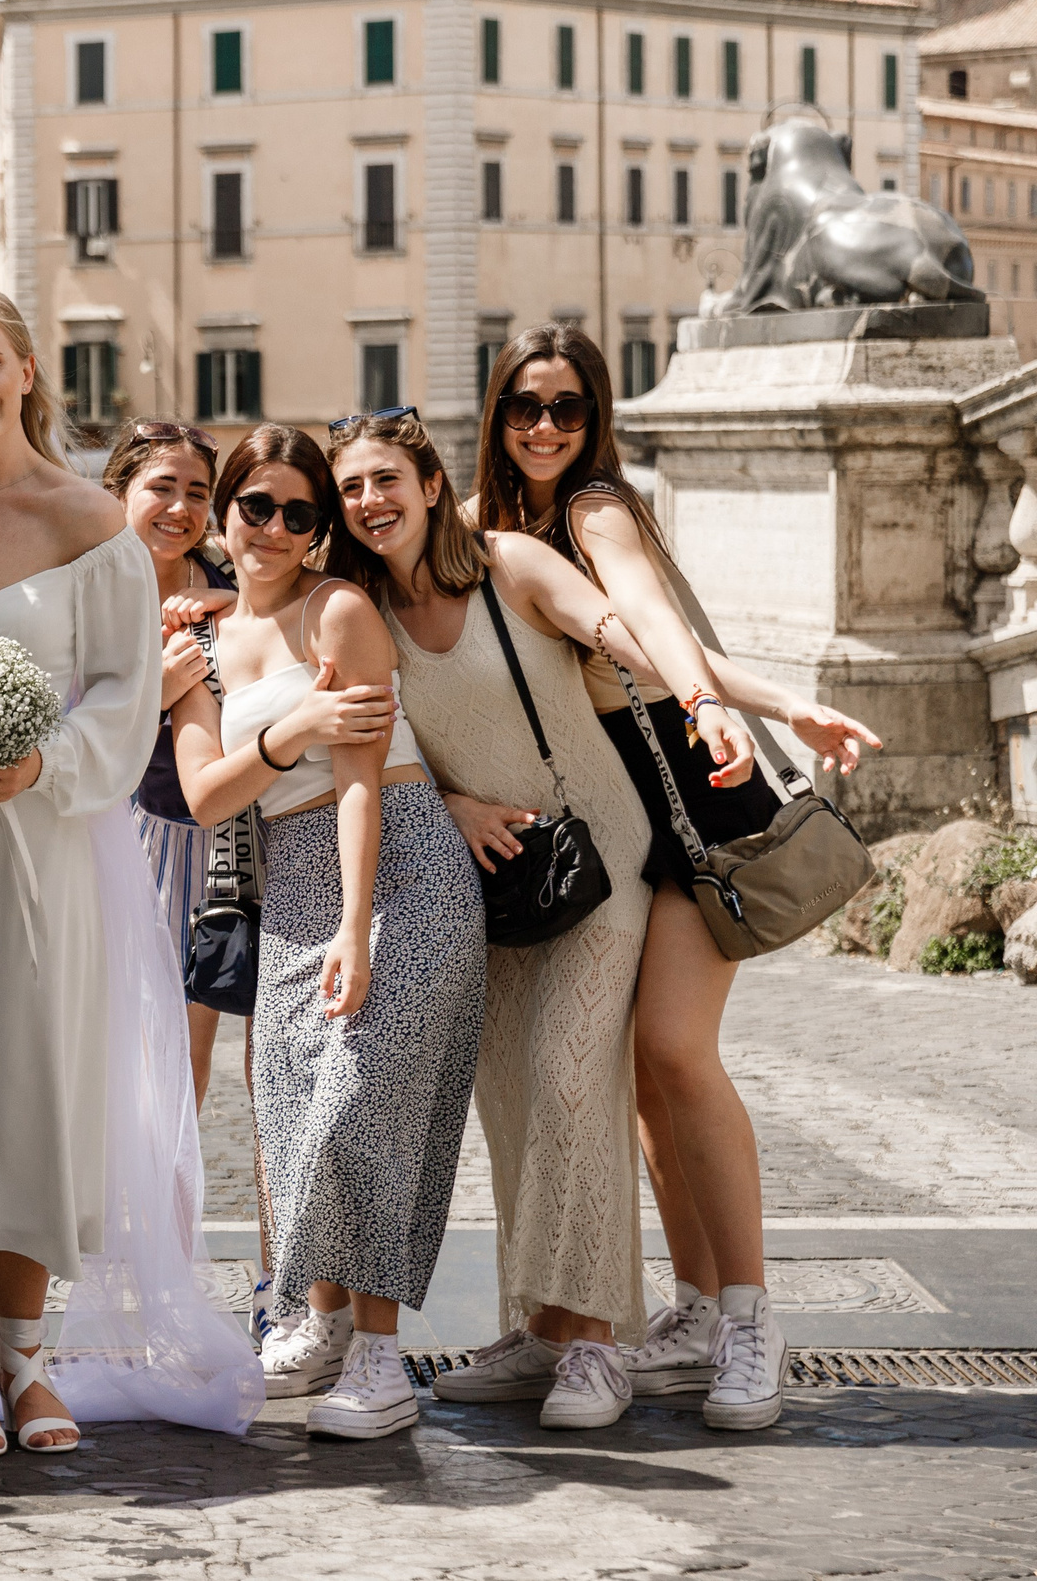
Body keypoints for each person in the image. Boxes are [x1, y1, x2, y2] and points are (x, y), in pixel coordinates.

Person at [0, 287, 263, 1456]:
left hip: (49, 852)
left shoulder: (96, 526)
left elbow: (133, 702)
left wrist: (41, 762)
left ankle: (28, 1365)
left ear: (29, 371)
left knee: (33, 1088)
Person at [470, 327, 879, 1432]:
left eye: (564, 406)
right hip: (624, 809)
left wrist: (711, 708)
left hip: (687, 793)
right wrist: (773, 699)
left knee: (673, 1053)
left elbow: (648, 622)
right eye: (523, 405)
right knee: (641, 1075)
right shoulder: (499, 530)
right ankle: (697, 1308)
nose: (544, 425)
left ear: (593, 416)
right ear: (494, 415)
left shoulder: (596, 506)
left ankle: (749, 1315)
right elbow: (662, 647)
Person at [329, 410, 697, 1429]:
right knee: (511, 1105)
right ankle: (538, 1326)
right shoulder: (356, 607)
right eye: (352, 487)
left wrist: (716, 692)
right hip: (482, 879)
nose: (370, 501)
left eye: (386, 478)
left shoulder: (511, 563)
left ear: (430, 482)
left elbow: (630, 628)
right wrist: (446, 806)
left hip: (597, 856)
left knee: (571, 1080)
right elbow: (378, 743)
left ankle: (595, 1343)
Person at [171, 424, 484, 1444]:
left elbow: (360, 788)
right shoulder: (200, 647)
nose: (271, 527)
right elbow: (210, 797)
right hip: (287, 881)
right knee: (296, 1112)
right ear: (224, 511)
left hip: (396, 864)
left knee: (361, 1106)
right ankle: (323, 1320)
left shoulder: (338, 611)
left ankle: (383, 1359)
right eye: (253, 505)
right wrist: (291, 729)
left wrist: (357, 926)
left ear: (318, 533)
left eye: (298, 513)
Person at [103, 422, 237, 1109]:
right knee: (115, 1041)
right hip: (122, 834)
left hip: (217, 841)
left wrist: (233, 606)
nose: (180, 508)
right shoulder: (92, 584)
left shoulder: (226, 578)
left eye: (197, 492)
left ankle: (173, 1213)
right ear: (122, 489)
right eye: (162, 487)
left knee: (188, 1048)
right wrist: (157, 690)